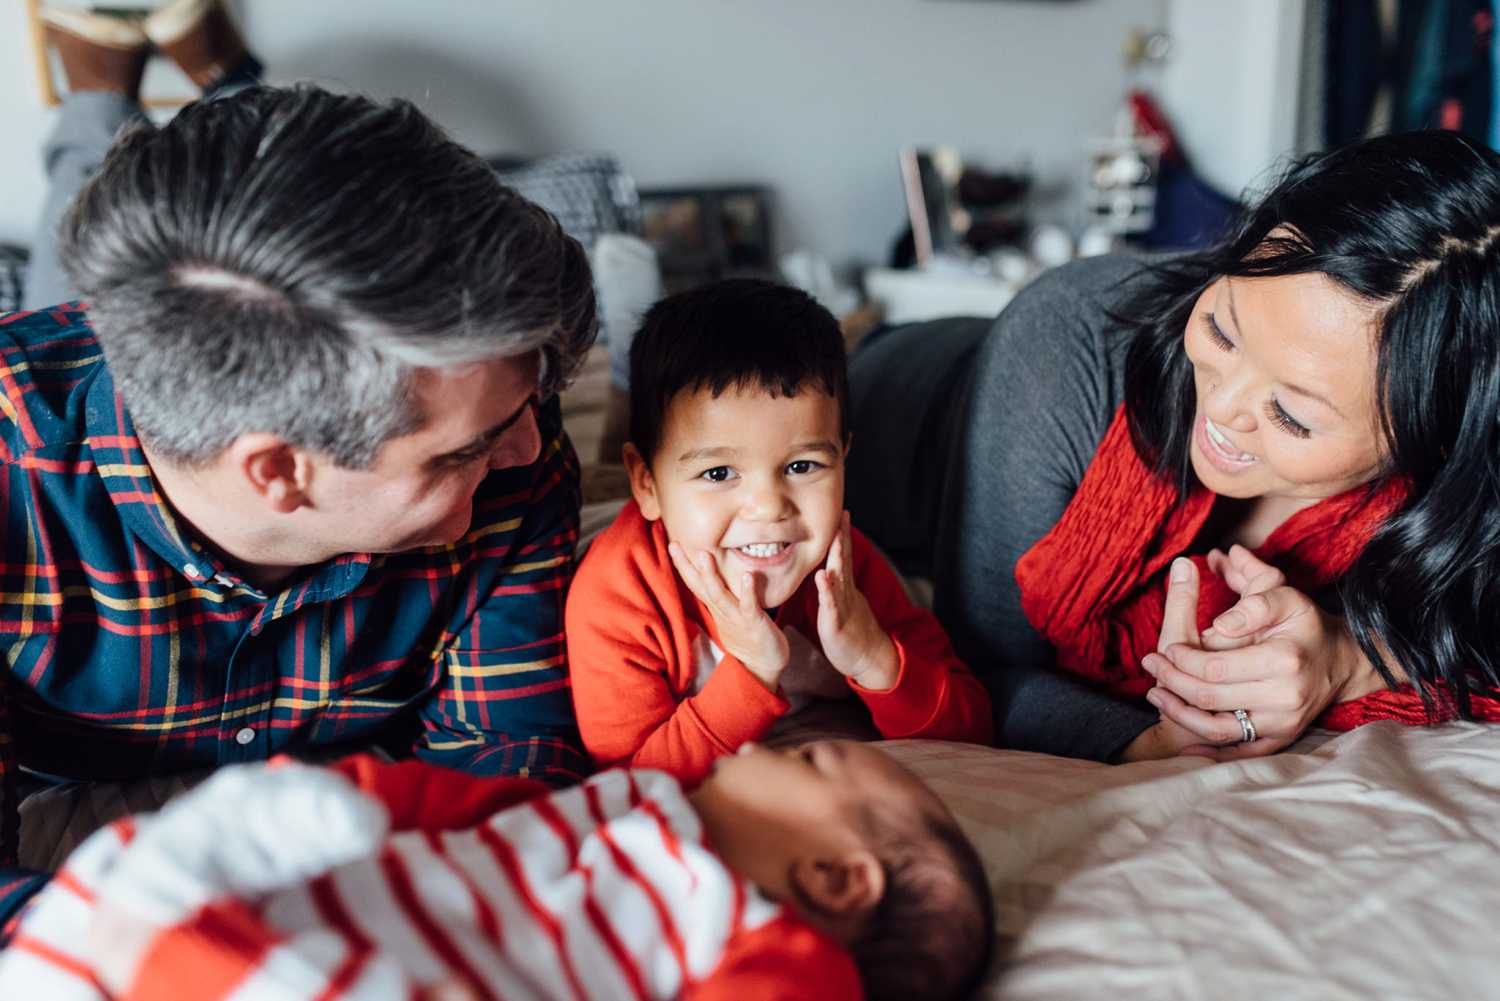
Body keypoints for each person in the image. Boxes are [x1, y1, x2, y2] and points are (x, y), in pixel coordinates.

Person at [0, 1, 597, 927]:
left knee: (245, 223)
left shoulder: (508, 425)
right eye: (465, 448)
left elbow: (508, 780)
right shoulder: (17, 481)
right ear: (279, 474)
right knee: (89, 247)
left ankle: (229, 88)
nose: (527, 448)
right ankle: (101, 89)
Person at [846, 129, 1500, 765]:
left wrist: (1351, 660)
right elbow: (970, 669)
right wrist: (1146, 742)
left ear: (1435, 446)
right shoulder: (1066, 345)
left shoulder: (1463, 475)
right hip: (899, 391)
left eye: (1292, 415)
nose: (1218, 406)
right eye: (1223, 327)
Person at [0, 740, 995, 1001]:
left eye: (817, 761)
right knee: (109, 867)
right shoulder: (626, 798)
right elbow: (462, 808)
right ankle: (150, 916)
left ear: (836, 877)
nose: (793, 741)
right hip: (300, 911)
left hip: (408, 975)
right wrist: (350, 800)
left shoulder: (763, 941)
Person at [566, 280, 992, 785]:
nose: (769, 506)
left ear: (844, 462)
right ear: (647, 484)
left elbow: (973, 728)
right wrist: (750, 669)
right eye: (719, 473)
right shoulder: (616, 599)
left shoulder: (846, 573)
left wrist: (872, 655)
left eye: (803, 465)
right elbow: (630, 782)